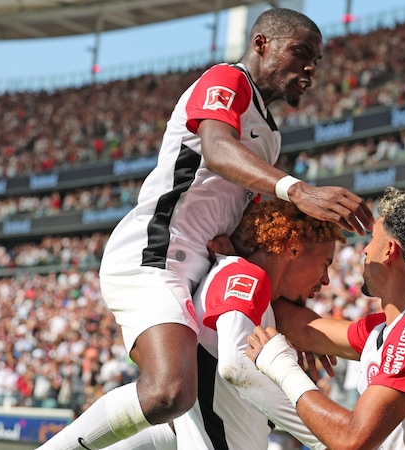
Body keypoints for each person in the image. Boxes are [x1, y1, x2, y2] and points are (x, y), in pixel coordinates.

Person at [38, 8, 373, 450]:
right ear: (261, 44)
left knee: (181, 416)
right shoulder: (226, 80)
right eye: (300, 52)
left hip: (200, 266)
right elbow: (216, 150)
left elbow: (249, 223)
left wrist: (287, 317)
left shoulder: (270, 138)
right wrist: (297, 190)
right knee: (169, 392)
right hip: (156, 250)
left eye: (316, 59)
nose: (310, 67)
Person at [244, 187, 405, 449]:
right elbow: (300, 327)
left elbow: (351, 439)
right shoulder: (393, 326)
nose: (365, 250)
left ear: (389, 250)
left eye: (372, 238)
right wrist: (236, 260)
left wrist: (280, 365)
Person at [172, 198, 343, 449]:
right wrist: (327, 435)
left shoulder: (250, 287)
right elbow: (235, 365)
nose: (326, 279)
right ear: (293, 248)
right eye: (325, 264)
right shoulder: (245, 274)